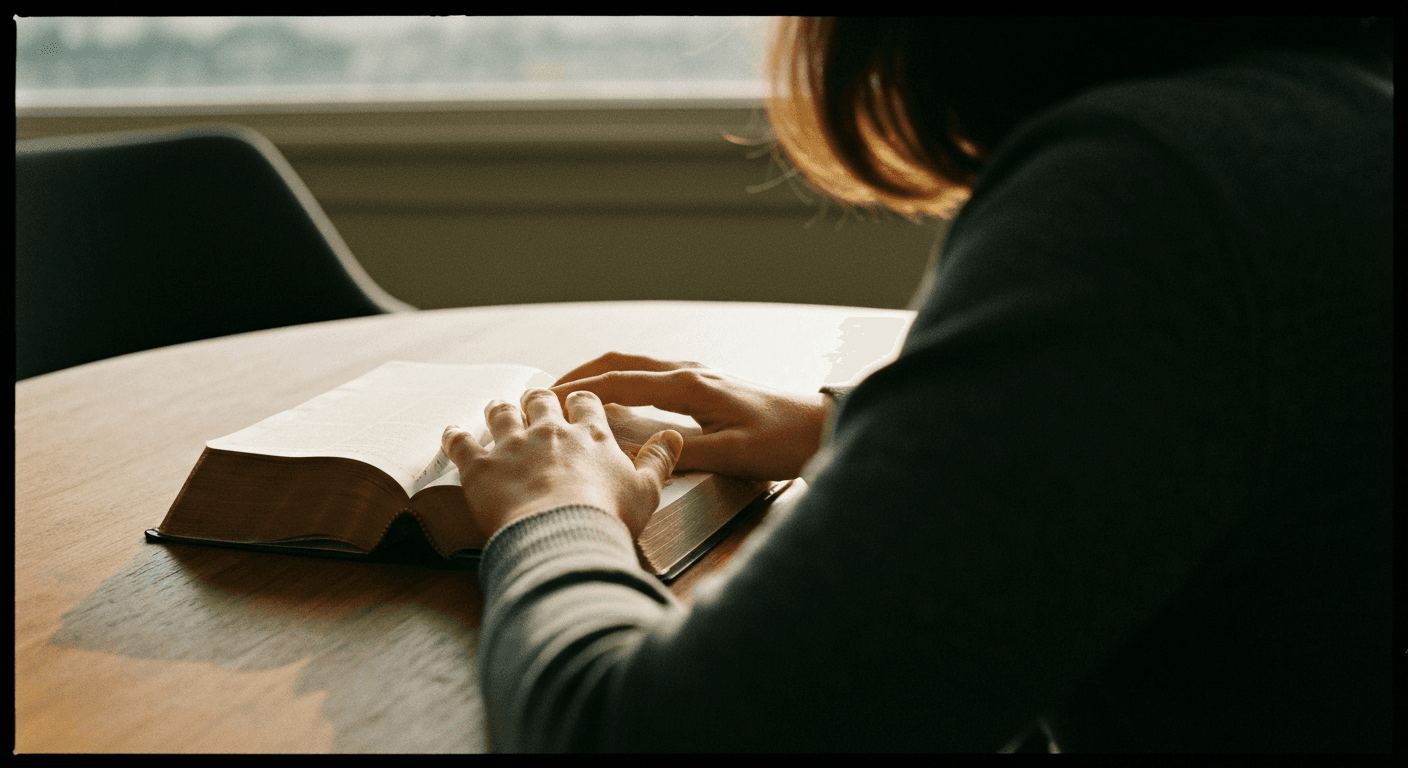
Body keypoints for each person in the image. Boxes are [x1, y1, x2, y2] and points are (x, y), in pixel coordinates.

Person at [440, 18, 1392, 752]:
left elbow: (649, 735)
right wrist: (859, 430)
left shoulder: (1161, 194)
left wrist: (553, 508)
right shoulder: (1336, 118)